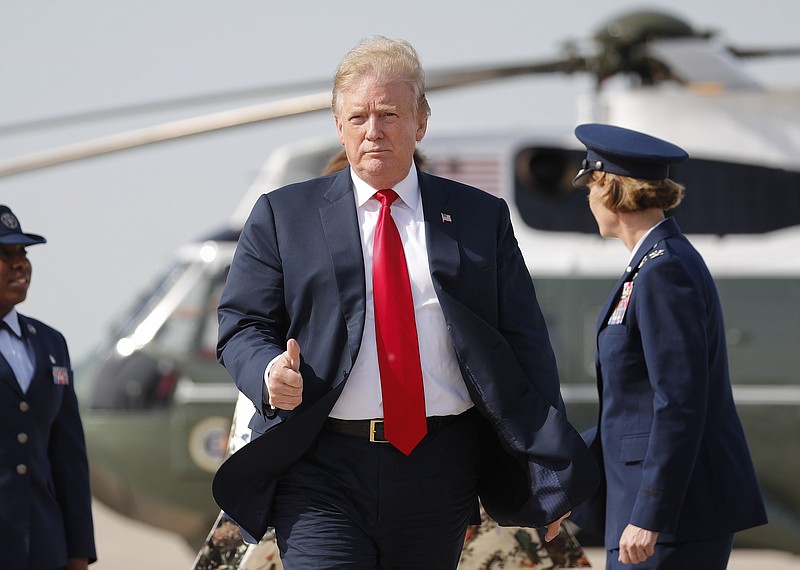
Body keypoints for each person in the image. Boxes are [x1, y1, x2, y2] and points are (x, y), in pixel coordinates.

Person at [212, 36, 599, 570]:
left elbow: (525, 345)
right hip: (321, 466)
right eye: (359, 116)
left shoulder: (479, 217)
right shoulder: (282, 216)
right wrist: (267, 372)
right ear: (338, 124)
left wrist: (547, 474)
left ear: (420, 122)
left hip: (439, 469)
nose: (374, 130)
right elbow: (242, 325)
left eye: (390, 113)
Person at [570, 124, 768, 568]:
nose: (587, 198)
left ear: (612, 191)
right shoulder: (652, 264)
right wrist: (564, 483)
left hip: (668, 520)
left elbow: (678, 401)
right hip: (647, 511)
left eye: (591, 185)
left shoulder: (664, 271)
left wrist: (651, 513)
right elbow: (628, 411)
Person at [0, 205, 97, 570]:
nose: (20, 265)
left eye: (23, 255)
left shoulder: (51, 343)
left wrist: (78, 552)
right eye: (5, 255)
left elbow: (68, 456)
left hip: (45, 549)